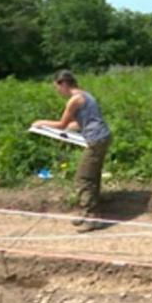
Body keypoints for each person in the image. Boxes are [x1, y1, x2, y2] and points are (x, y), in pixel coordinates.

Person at [32, 70, 112, 232]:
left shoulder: (74, 100)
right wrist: (71, 128)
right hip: (102, 137)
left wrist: (41, 123)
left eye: (57, 87)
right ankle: (87, 212)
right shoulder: (86, 95)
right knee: (92, 177)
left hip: (96, 140)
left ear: (63, 84)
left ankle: (92, 218)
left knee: (83, 178)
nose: (58, 91)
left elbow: (61, 124)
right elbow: (80, 121)